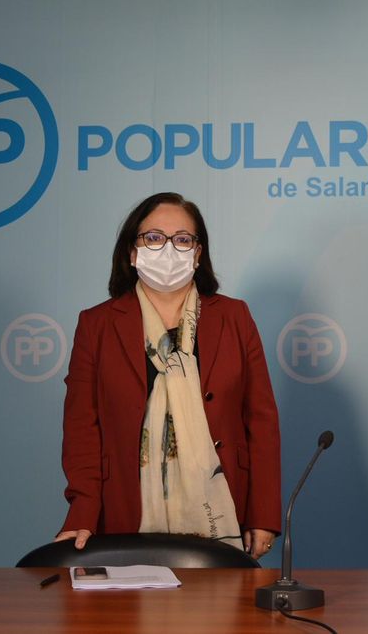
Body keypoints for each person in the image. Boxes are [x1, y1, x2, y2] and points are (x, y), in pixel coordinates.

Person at [56, 192, 281, 559]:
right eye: (154, 238)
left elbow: (262, 421)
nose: (168, 249)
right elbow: (82, 428)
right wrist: (82, 511)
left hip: (226, 508)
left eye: (182, 239)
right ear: (132, 252)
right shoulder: (96, 324)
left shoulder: (234, 318)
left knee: (223, 615)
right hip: (125, 508)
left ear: (198, 253)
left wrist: (264, 514)